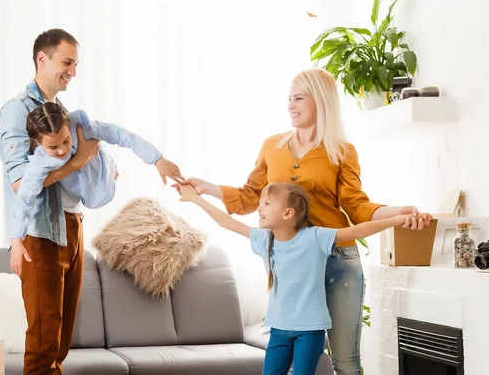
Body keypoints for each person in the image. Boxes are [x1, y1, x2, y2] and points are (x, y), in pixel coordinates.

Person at [179, 67, 433, 374]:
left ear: (320, 101)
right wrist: (208, 189)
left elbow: (356, 207)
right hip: (294, 262)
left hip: (338, 259)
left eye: (298, 98)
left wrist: (396, 212)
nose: (290, 105)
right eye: (289, 99)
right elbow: (251, 196)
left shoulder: (341, 151)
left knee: (346, 359)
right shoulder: (272, 146)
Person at [0, 28, 180, 375]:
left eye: (76, 64)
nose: (73, 72)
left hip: (71, 226)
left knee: (62, 338)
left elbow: (113, 138)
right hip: (41, 233)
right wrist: (78, 163)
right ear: (42, 59)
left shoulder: (66, 114)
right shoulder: (17, 112)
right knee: (44, 338)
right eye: (67, 62)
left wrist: (108, 167)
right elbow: (22, 184)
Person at [177, 182, 409, 375]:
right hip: (278, 329)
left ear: (288, 213)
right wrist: (196, 198)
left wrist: (396, 220)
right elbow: (225, 221)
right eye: (260, 203)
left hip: (309, 331)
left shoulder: (315, 238)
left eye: (266, 203)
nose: (259, 208)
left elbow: (357, 231)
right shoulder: (264, 239)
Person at [9, 102, 183, 272]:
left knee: (101, 145)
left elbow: (123, 136)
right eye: (53, 147)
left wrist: (157, 159)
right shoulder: (39, 163)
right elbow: (24, 198)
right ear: (39, 144)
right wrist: (17, 240)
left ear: (69, 128)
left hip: (101, 169)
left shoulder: (83, 129)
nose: (62, 150)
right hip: (88, 191)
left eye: (66, 141)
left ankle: (110, 165)